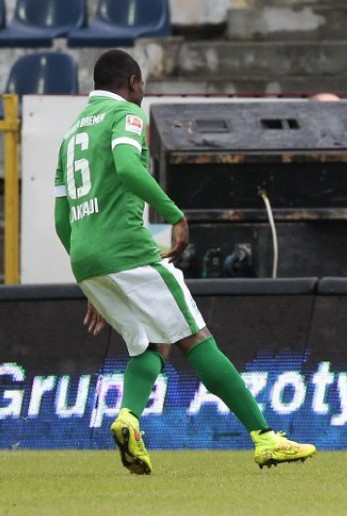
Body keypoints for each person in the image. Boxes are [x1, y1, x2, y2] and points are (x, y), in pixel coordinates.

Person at [54, 49, 316, 474]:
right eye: (143, 87)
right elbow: (126, 168)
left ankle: (128, 420)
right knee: (196, 337)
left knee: (153, 343)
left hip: (87, 259)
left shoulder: (70, 137)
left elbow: (61, 219)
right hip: (128, 249)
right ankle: (265, 438)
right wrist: (174, 212)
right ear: (133, 83)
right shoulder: (127, 117)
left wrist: (91, 278)